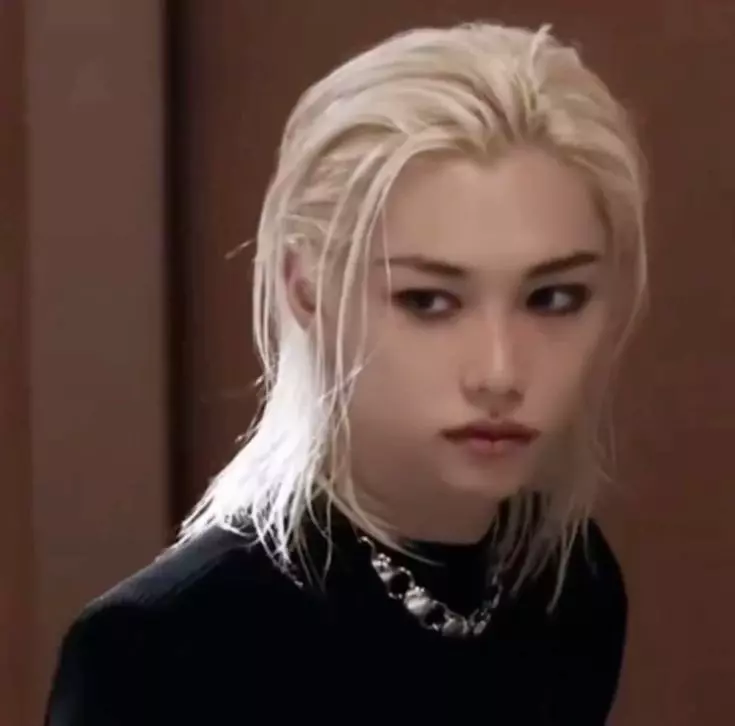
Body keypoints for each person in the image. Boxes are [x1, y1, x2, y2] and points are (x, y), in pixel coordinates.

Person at [45, 21, 647, 726]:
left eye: (551, 299)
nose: (499, 371)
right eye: (427, 301)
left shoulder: (568, 585)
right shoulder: (161, 647)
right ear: (306, 290)